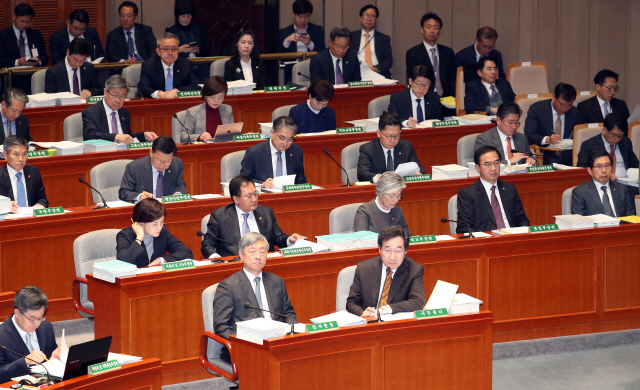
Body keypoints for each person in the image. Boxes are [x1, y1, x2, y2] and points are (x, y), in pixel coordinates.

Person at [213, 232, 297, 361]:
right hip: (246, 346)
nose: (258, 256)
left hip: (276, 342)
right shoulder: (228, 286)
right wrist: (247, 340)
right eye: (252, 251)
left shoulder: (276, 281)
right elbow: (222, 327)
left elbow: (288, 314)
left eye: (262, 252)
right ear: (241, 255)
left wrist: (294, 331)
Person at [201, 175, 305, 259]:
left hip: (264, 262)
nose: (254, 199)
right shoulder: (220, 216)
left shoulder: (266, 213)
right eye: (248, 196)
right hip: (235, 265)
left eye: (255, 194)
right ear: (236, 199)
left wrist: (290, 240)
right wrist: (218, 259)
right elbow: (207, 245)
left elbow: (278, 237)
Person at [346, 226, 425, 317]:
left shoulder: (414, 270)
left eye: (398, 251)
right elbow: (351, 302)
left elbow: (418, 302)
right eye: (387, 250)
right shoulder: (364, 268)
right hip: (369, 324)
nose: (392, 257)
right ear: (379, 249)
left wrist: (386, 309)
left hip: (395, 326)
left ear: (406, 251)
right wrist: (363, 313)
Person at [456, 145, 530, 233]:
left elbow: (521, 218)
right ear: (478, 168)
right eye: (487, 164)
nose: (493, 168)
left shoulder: (509, 188)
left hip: (512, 238)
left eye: (496, 163)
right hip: (486, 242)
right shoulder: (468, 194)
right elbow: (464, 227)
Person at [0, 286, 61, 383]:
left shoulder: (46, 328)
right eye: (32, 318)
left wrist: (54, 359)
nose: (36, 323)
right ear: (17, 313)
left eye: (40, 317)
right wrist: (24, 362)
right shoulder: (2, 335)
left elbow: (50, 358)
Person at [116, 198, 193, 267]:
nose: (159, 227)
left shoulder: (162, 232)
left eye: (162, 222)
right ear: (141, 223)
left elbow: (186, 252)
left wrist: (161, 260)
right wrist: (139, 238)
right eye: (155, 224)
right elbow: (122, 262)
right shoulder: (125, 235)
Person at [82, 75, 158, 143]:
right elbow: (90, 135)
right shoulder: (91, 112)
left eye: (122, 96)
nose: (118, 100)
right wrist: (116, 137)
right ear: (105, 92)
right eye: (115, 95)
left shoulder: (124, 112)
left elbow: (126, 137)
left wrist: (143, 135)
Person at [357, 111, 425, 183]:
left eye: (396, 136)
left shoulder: (406, 146)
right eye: (389, 136)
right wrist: (379, 177)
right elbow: (362, 174)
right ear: (379, 133)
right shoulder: (368, 149)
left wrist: (418, 174)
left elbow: (420, 169)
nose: (393, 140)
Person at [240, 116, 307, 188]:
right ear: (272, 132)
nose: (286, 143)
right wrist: (262, 184)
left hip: (289, 196)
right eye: (282, 138)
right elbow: (243, 181)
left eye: (290, 139)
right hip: (265, 196)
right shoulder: (254, 153)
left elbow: (301, 180)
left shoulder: (296, 151)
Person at [405, 12, 456, 103]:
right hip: (425, 98)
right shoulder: (413, 53)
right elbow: (412, 79)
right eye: (428, 27)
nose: (432, 30)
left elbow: (452, 78)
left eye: (436, 28)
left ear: (439, 31)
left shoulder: (448, 52)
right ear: (422, 29)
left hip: (447, 99)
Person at [119, 136, 187, 202]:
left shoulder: (177, 164)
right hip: (145, 210)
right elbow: (124, 192)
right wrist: (139, 196)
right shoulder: (134, 167)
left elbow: (181, 185)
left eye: (167, 162)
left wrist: (177, 194)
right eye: (158, 160)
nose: (162, 165)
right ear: (151, 152)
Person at [524, 82, 578, 165]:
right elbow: (529, 135)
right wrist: (547, 139)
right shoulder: (537, 109)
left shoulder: (574, 112)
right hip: (547, 155)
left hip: (569, 155)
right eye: (562, 104)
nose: (564, 109)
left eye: (569, 105)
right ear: (553, 97)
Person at [0, 4, 47, 94]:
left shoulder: (36, 35)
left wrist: (38, 61)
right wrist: (18, 62)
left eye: (28, 22)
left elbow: (45, 57)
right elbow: (1, 60)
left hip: (33, 76)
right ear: (14, 17)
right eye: (22, 21)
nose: (25, 25)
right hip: (12, 79)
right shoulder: (3, 36)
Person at [137, 32, 201, 99]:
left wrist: (177, 91)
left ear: (178, 50)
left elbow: (196, 86)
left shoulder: (185, 64)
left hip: (179, 104)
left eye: (174, 49)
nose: (170, 53)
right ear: (158, 51)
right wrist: (160, 94)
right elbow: (143, 87)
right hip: (156, 105)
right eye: (165, 49)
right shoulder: (149, 65)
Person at [571, 150, 634, 217]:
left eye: (607, 166)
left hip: (620, 226)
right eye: (599, 166)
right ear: (590, 171)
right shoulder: (580, 192)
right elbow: (579, 222)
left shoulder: (622, 189)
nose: (604, 170)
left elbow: (631, 218)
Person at [279, 0, 325, 84]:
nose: (303, 20)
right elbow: (280, 57)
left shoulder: (317, 30)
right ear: (293, 14)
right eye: (300, 17)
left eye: (306, 17)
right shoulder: (284, 32)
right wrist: (286, 41)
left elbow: (323, 53)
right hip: (292, 74)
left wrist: (309, 44)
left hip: (314, 72)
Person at [0, 136, 47, 213]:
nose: (21, 159)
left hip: (31, 220)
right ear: (5, 155)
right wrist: (4, 205)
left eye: (24, 154)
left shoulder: (33, 172)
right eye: (16, 154)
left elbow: (42, 199)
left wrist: (39, 205)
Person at [165, 0, 211, 81]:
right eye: (183, 16)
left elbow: (207, 50)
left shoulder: (199, 28)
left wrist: (198, 49)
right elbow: (166, 53)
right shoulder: (171, 31)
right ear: (178, 16)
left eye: (188, 16)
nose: (186, 19)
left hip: (200, 65)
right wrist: (179, 49)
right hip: (180, 65)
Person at [181, 76, 234, 143]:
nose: (216, 101)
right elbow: (183, 137)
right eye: (212, 97)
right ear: (205, 96)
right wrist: (199, 137)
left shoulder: (227, 110)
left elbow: (232, 134)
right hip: (202, 150)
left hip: (223, 149)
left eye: (220, 98)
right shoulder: (193, 112)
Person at [348, 4, 393, 79]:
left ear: (376, 20)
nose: (369, 19)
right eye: (366, 15)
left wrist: (375, 69)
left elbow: (388, 61)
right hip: (355, 74)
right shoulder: (351, 37)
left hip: (378, 74)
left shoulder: (384, 38)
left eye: (372, 16)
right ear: (360, 18)